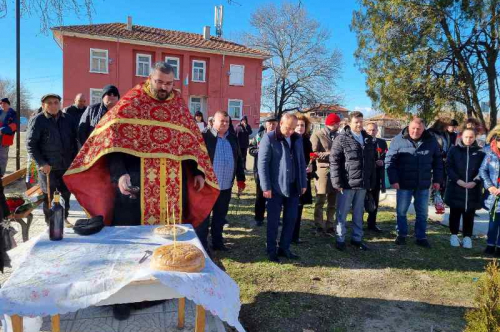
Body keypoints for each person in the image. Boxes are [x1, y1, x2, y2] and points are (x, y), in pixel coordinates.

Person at [63, 62, 220, 320]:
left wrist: (199, 171)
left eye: (169, 84)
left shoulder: (179, 106)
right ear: (150, 78)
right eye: (160, 82)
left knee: (169, 241)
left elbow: (191, 143)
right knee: (132, 245)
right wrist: (119, 174)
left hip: (172, 187)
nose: (164, 88)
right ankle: (124, 297)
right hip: (134, 186)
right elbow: (110, 143)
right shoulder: (132, 102)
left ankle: (165, 288)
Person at [385, 117, 443, 248]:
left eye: (419, 129)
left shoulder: (431, 141)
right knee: (401, 211)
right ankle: (401, 234)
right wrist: (393, 180)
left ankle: (421, 236)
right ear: (408, 127)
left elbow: (438, 162)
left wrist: (438, 180)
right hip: (403, 184)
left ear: (424, 129)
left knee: (422, 212)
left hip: (423, 184)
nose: (415, 131)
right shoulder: (397, 140)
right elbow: (390, 161)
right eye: (413, 128)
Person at [258, 113, 307, 262]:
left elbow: (301, 161)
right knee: (273, 220)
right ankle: (271, 249)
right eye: (288, 128)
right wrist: (265, 186)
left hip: (293, 186)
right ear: (281, 124)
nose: (291, 131)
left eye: (294, 128)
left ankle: (284, 248)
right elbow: (263, 163)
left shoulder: (297, 138)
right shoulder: (270, 138)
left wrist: (303, 182)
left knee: (291, 218)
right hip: (275, 187)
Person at [26, 94, 78, 229]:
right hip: (48, 168)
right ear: (43, 105)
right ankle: (50, 222)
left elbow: (74, 140)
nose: (53, 105)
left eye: (56, 102)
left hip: (66, 165)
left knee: (66, 194)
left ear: (60, 104)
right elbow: (31, 145)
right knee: (49, 196)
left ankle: (64, 218)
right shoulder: (38, 120)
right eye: (49, 103)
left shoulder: (68, 119)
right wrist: (42, 163)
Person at [197, 111, 245, 251]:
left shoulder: (232, 138)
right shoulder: (205, 137)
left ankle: (218, 243)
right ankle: (202, 246)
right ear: (213, 122)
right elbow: (196, 160)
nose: (225, 124)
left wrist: (240, 178)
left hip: (225, 186)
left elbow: (239, 160)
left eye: (227, 121)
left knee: (220, 217)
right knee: (204, 219)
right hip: (207, 186)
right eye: (222, 121)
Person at [330, 111, 375, 251]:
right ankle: (340, 239)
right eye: (356, 122)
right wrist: (337, 183)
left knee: (358, 213)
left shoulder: (367, 139)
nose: (359, 124)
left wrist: (370, 181)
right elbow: (334, 161)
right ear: (349, 123)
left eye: (361, 121)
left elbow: (371, 162)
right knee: (342, 213)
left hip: (362, 184)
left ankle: (357, 238)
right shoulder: (341, 138)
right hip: (346, 183)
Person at [445, 127, 484, 249]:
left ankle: (467, 237)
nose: (468, 139)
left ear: (475, 138)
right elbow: (449, 167)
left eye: (471, 137)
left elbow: (483, 169)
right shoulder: (454, 150)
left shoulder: (480, 152)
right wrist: (458, 181)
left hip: (473, 189)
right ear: (461, 137)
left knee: (469, 214)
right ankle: (454, 235)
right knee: (455, 213)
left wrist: (475, 181)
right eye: (466, 137)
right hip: (457, 187)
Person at [310, 113, 341, 233]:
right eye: (338, 123)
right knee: (320, 199)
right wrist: (329, 154)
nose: (339, 125)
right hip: (322, 170)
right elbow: (313, 153)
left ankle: (330, 224)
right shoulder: (317, 135)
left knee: (333, 200)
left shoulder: (338, 135)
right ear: (332, 123)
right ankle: (318, 223)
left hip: (335, 171)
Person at [249, 115, 278, 227]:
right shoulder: (259, 136)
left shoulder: (279, 136)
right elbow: (251, 149)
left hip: (275, 172)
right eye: (270, 123)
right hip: (260, 172)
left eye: (274, 123)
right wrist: (262, 152)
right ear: (266, 124)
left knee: (275, 197)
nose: (272, 125)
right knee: (260, 196)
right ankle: (259, 217)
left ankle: (275, 217)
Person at [292, 113, 314, 244]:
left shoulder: (307, 141)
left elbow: (312, 159)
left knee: (299, 208)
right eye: (298, 125)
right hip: (291, 179)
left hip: (303, 180)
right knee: (290, 209)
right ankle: (288, 234)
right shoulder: (289, 139)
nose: (300, 127)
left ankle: (295, 235)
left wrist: (312, 168)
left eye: (303, 125)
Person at [479, 125, 500, 256]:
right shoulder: (490, 153)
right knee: (493, 221)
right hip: (493, 193)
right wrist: (490, 186)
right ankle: (490, 244)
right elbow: (483, 170)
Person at [0, 98, 18, 177]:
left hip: (5, 138)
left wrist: (2, 130)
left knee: (3, 157)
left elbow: (15, 126)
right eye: (1, 103)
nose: (3, 105)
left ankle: (1, 175)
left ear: (8, 104)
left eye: (5, 103)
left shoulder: (13, 113)